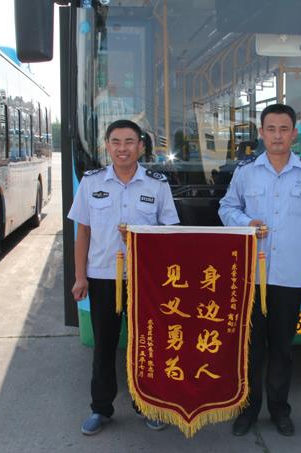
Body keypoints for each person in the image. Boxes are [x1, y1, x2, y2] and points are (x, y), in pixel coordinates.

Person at [67, 119, 180, 435]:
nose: (122, 148)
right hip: (102, 277)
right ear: (107, 146)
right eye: (116, 142)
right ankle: (100, 408)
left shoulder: (157, 185)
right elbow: (83, 232)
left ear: (141, 147)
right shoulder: (91, 182)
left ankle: (147, 405)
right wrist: (80, 277)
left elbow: (171, 233)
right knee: (103, 346)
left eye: (129, 142)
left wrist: (142, 239)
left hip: (144, 279)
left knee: (145, 345)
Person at [219, 104, 301, 437]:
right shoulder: (246, 172)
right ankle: (247, 410)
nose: (277, 136)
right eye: (271, 129)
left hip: (289, 276)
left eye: (284, 129)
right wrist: (245, 222)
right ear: (261, 133)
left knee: (282, 349)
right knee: (250, 349)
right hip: (252, 277)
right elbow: (226, 207)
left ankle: (279, 410)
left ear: (294, 134)